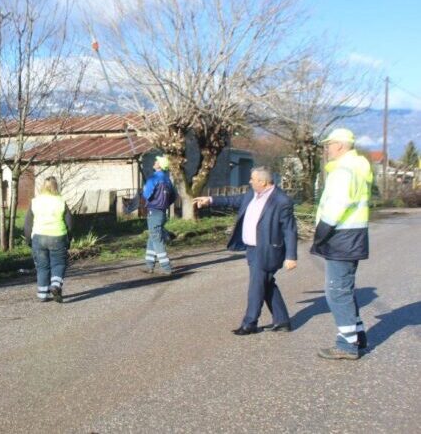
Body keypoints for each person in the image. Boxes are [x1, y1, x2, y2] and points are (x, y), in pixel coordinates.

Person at [194, 166, 297, 335]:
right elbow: (232, 200)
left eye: (252, 179)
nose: (249, 181)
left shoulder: (281, 200)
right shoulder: (252, 194)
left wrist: (291, 256)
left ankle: (250, 323)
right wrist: (210, 200)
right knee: (266, 283)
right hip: (252, 248)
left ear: (262, 182)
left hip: (267, 250)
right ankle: (282, 320)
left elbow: (289, 230)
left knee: (257, 286)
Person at [311, 128, 372, 360]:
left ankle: (346, 345)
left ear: (340, 146)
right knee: (344, 289)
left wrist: (321, 233)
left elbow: (336, 205)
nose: (326, 149)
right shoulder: (358, 168)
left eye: (329, 145)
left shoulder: (343, 171)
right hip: (353, 236)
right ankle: (357, 335)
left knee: (336, 292)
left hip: (341, 237)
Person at [24, 177, 73, 303]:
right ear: (55, 187)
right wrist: (69, 238)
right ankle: (55, 286)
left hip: (39, 237)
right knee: (58, 263)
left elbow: (28, 223)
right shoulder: (61, 201)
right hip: (58, 236)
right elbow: (69, 222)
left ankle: (42, 294)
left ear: (43, 187)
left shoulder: (35, 201)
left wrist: (28, 239)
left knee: (42, 267)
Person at [142, 155, 177, 275]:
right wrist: (165, 204)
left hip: (154, 212)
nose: (155, 161)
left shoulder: (153, 178)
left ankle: (167, 268)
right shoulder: (167, 180)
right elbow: (173, 196)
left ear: (160, 165)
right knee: (152, 237)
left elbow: (146, 194)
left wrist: (145, 186)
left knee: (157, 239)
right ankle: (149, 265)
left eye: (157, 161)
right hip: (162, 213)